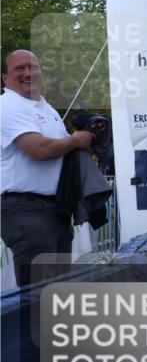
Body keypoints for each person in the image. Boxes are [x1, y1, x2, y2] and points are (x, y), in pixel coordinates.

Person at [1, 50, 94, 286]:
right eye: (19, 68)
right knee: (39, 295)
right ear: (5, 78)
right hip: (24, 209)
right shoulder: (7, 106)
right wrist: (76, 140)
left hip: (55, 211)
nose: (27, 73)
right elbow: (40, 150)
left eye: (33, 67)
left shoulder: (46, 109)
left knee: (57, 291)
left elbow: (60, 151)